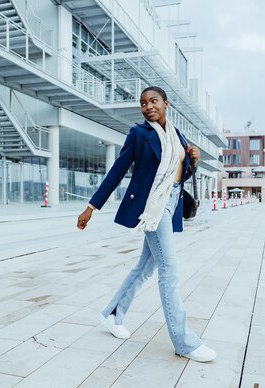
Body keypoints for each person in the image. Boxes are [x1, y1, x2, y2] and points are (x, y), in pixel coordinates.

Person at [76, 86, 216, 363]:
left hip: (172, 201)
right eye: (143, 103)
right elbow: (117, 170)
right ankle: (184, 342)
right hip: (152, 206)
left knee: (146, 266)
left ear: (166, 103)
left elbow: (180, 174)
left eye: (153, 101)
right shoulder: (139, 133)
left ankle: (113, 314)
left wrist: (193, 163)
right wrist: (92, 207)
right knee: (169, 271)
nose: (148, 106)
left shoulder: (177, 135)